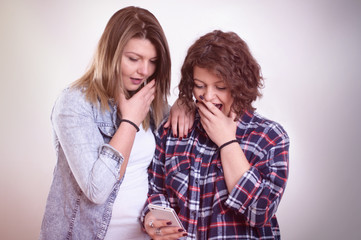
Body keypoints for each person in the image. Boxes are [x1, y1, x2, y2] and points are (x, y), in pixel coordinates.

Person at [39, 6, 192, 240]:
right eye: (133, 59)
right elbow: (96, 189)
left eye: (152, 61)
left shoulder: (148, 103)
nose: (144, 70)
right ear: (110, 53)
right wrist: (129, 121)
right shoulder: (74, 103)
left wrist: (183, 103)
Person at [142, 30, 290, 239]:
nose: (208, 97)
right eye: (199, 86)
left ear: (240, 84)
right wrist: (151, 219)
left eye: (220, 87)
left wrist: (227, 142)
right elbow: (154, 189)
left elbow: (260, 213)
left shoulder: (270, 137)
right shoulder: (175, 129)